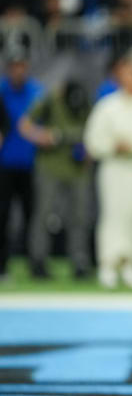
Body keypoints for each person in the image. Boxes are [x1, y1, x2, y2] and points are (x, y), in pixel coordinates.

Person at [84, 49, 132, 289]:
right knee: (112, 215)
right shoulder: (107, 105)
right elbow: (93, 140)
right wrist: (113, 145)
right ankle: (108, 264)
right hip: (113, 168)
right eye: (124, 74)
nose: (128, 78)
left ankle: (130, 265)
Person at [19, 79, 92, 279]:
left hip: (77, 169)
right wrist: (42, 136)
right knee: (43, 215)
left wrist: (88, 152)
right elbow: (24, 125)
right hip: (49, 167)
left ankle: (79, 262)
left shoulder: (86, 103)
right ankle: (38, 261)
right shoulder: (51, 100)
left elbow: (93, 131)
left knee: (79, 216)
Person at [0, 46, 42, 279]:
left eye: (22, 66)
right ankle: (2, 266)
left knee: (33, 217)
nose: (18, 70)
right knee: (2, 216)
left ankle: (34, 265)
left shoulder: (37, 92)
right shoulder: (1, 91)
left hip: (32, 164)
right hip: (4, 164)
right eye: (14, 66)